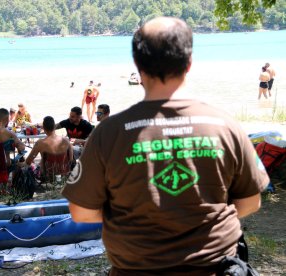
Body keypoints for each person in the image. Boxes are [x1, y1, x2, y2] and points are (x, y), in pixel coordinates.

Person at [62, 17, 269, 275]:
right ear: (189, 63)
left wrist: (136, 218)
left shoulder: (109, 133)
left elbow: (81, 212)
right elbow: (251, 202)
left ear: (138, 67)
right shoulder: (225, 125)